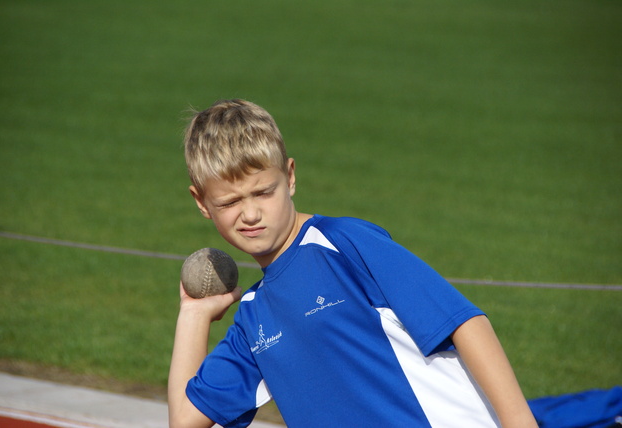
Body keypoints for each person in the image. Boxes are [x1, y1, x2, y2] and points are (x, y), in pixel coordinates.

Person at [168, 99, 538, 428]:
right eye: (230, 202)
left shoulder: (344, 243)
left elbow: (462, 322)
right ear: (202, 203)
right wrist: (194, 314)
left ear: (290, 176)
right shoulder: (254, 318)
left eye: (263, 192)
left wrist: (519, 422)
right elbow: (185, 420)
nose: (250, 213)